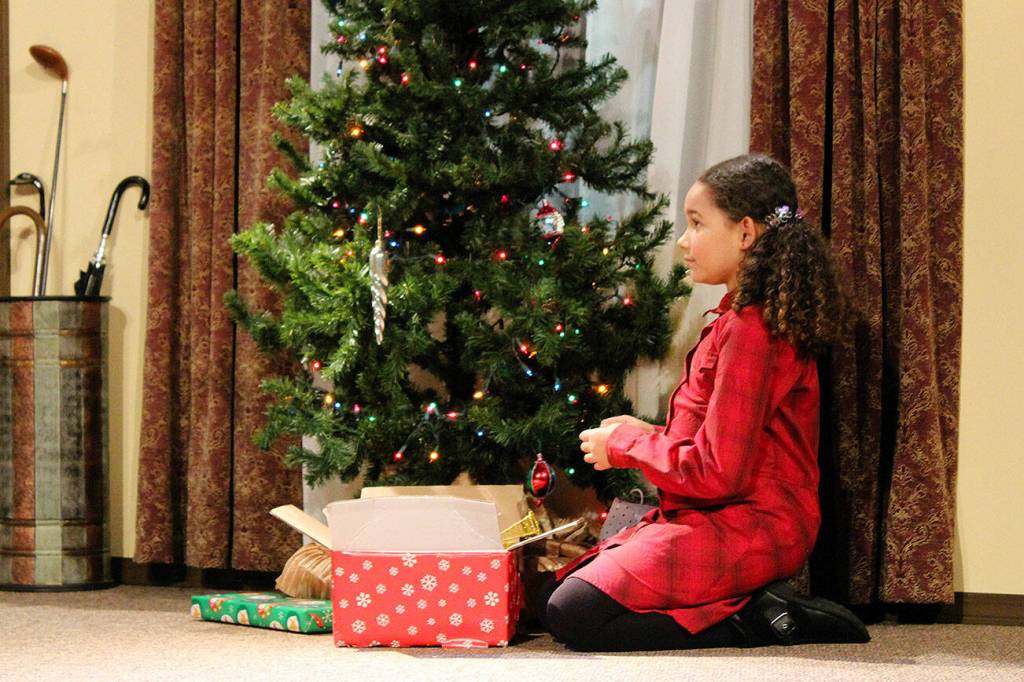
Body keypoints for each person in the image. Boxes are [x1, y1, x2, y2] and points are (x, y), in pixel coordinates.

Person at [532, 154, 869, 651]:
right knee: (550, 598)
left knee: (574, 612)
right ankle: (739, 603)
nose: (683, 241)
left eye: (696, 224)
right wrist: (647, 434)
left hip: (752, 524)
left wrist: (625, 446)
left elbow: (717, 473)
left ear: (745, 233)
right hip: (716, 513)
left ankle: (763, 618)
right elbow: (716, 443)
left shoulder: (752, 331)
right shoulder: (737, 321)